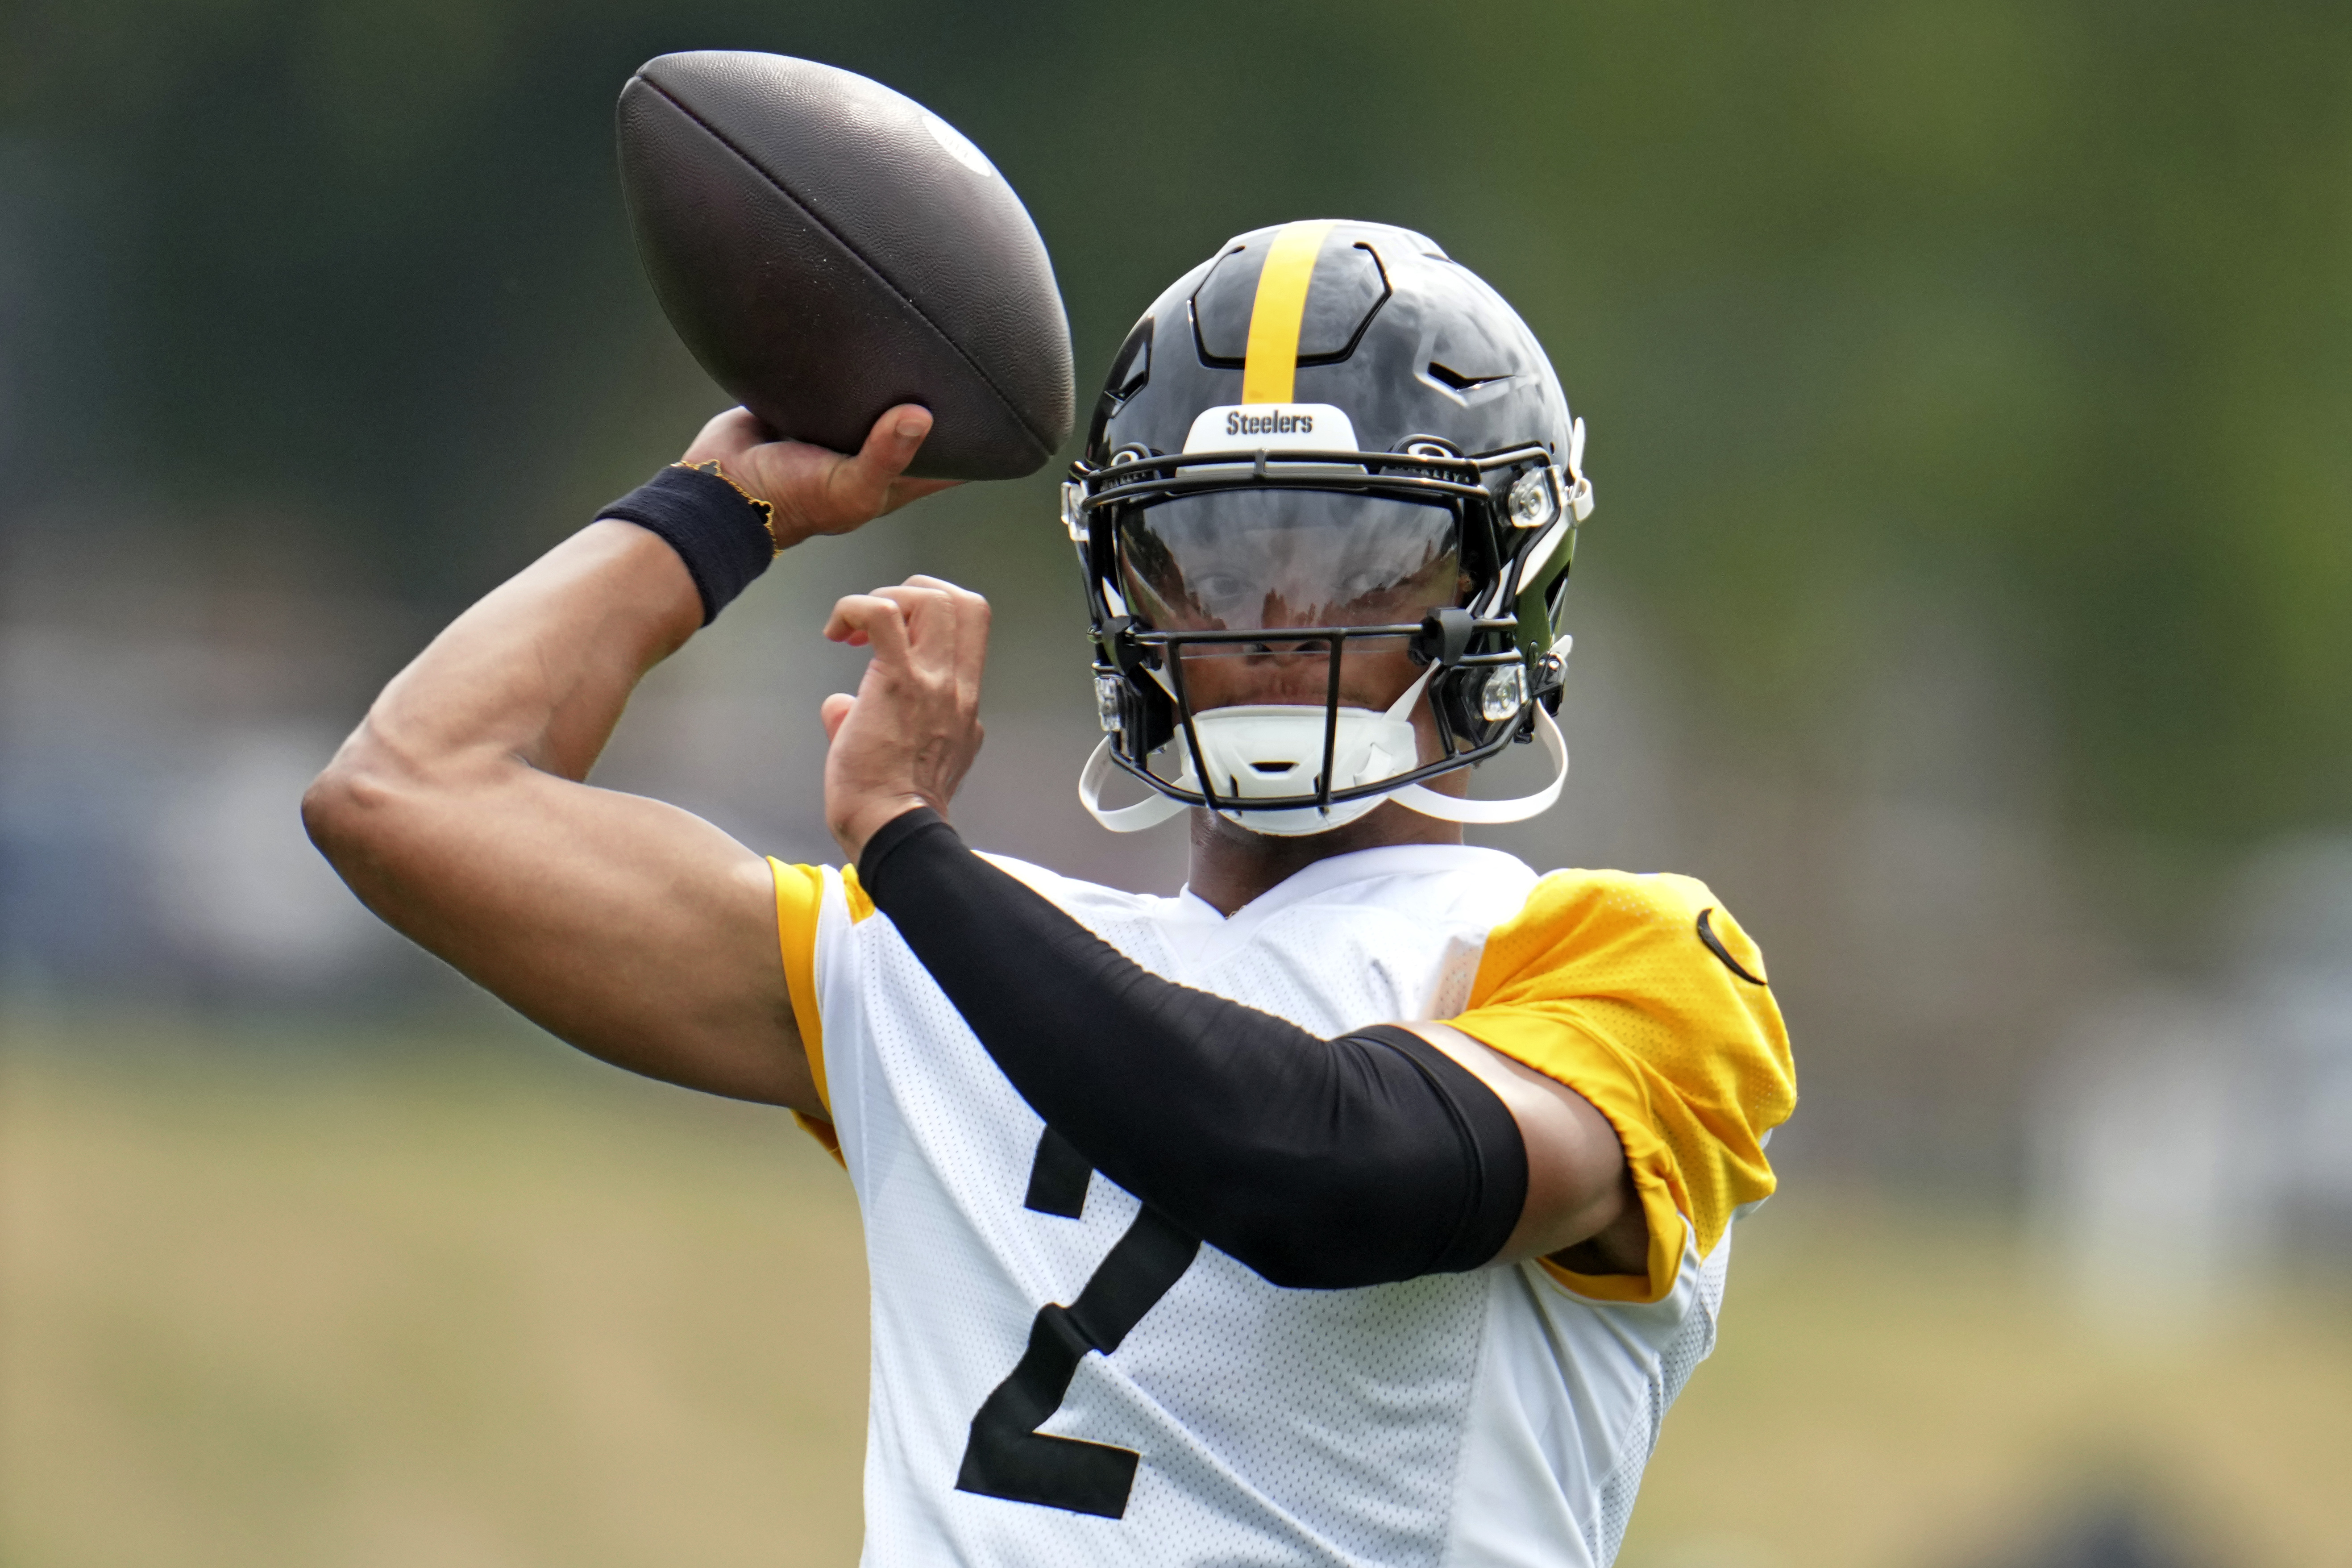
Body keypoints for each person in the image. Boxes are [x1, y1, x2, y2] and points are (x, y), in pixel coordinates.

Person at [305, 218, 1795, 1567]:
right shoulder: (950, 953)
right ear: (1120, 595)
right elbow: (407, 795)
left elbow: (1323, 1170)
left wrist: (907, 849)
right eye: (1204, 562)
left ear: (1497, 584)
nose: (1271, 623)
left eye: (1357, 557)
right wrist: (725, 508)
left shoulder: (1631, 965)